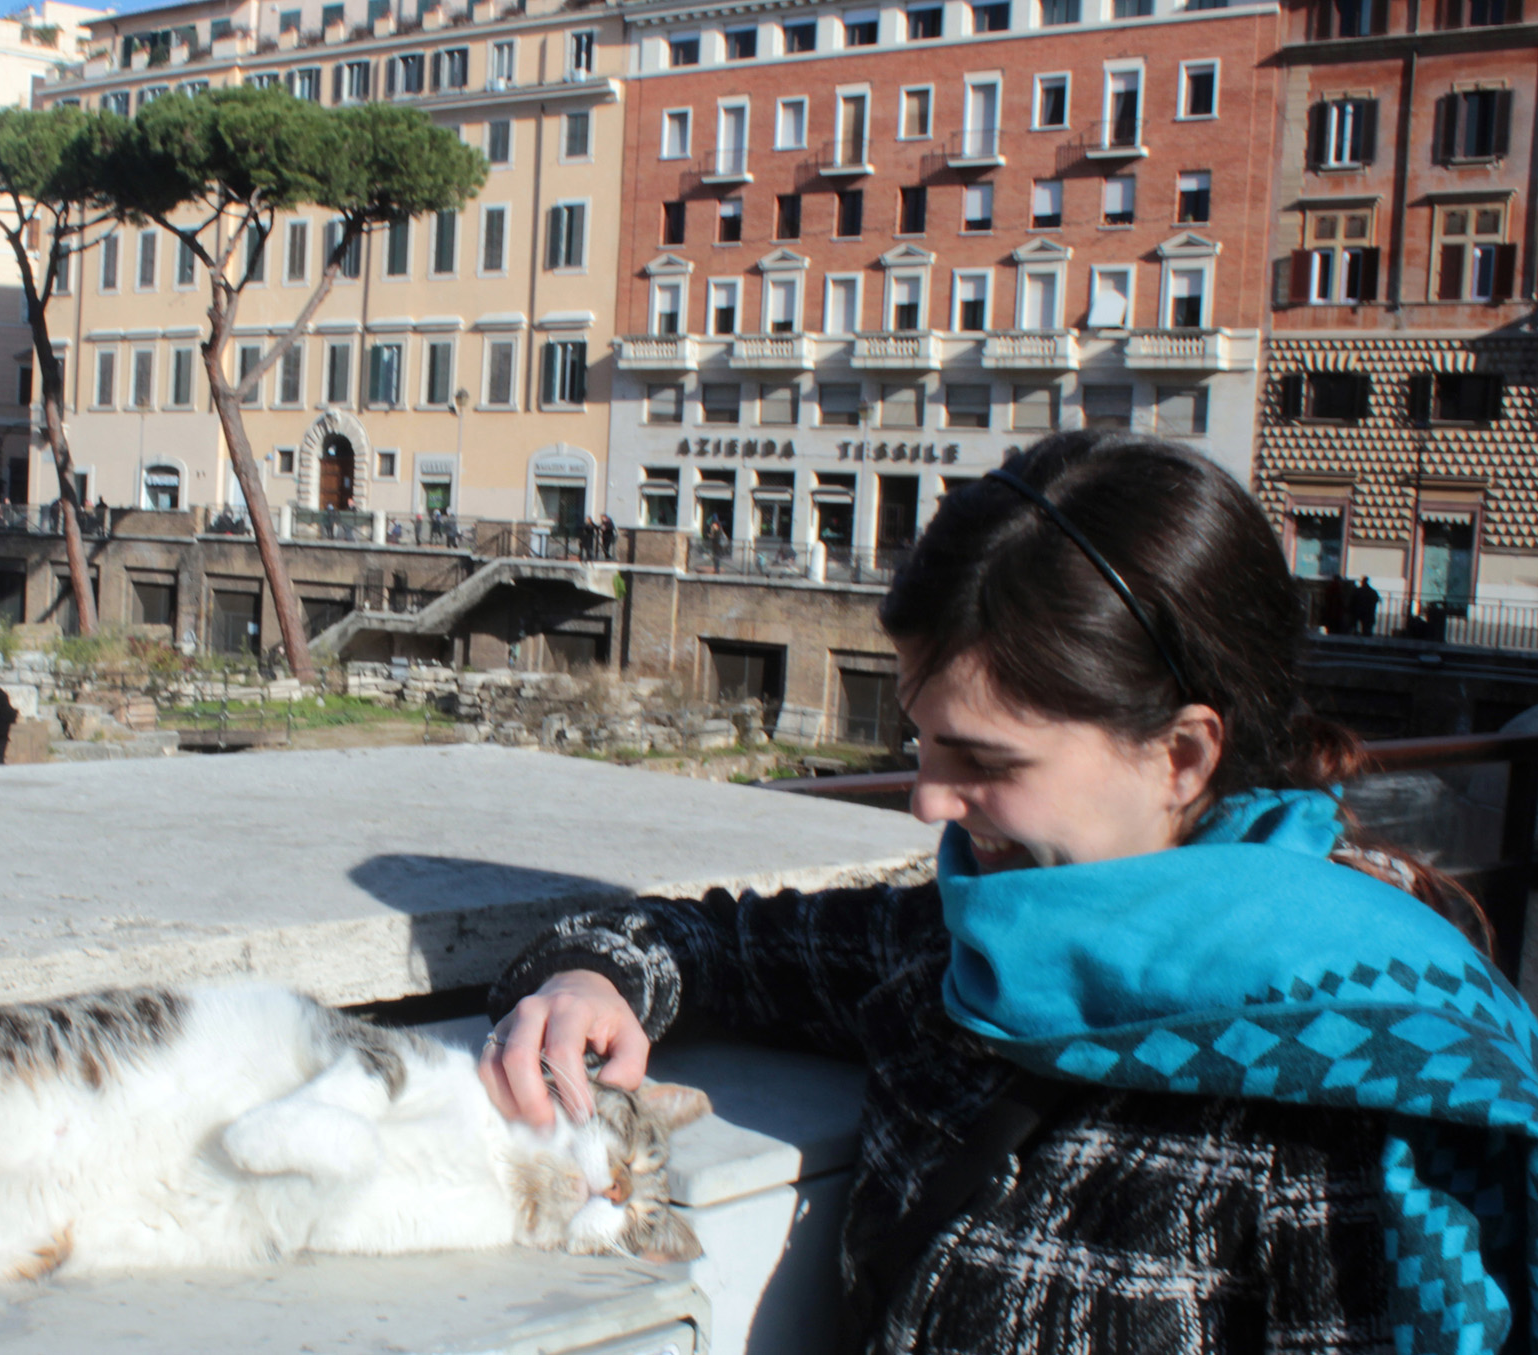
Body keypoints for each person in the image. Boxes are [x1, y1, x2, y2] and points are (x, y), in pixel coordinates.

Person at [481, 432, 1529, 1354]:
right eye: (919, 738)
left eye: (983, 756)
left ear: (1180, 754)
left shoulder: (1351, 1091)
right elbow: (716, 940)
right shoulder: (971, 939)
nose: (929, 799)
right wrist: (593, 976)